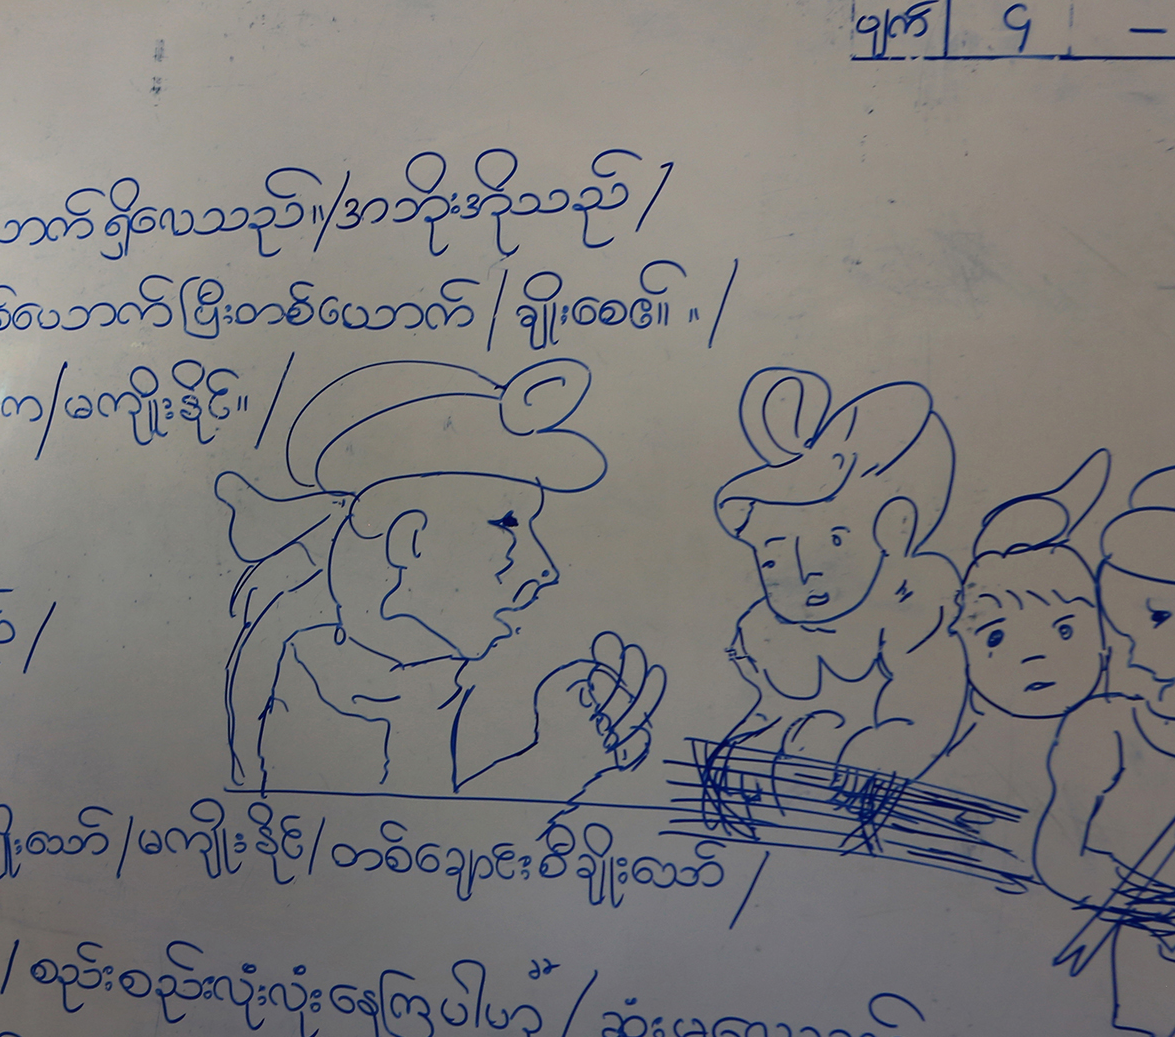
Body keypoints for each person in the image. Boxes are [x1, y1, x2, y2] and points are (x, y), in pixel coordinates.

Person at [217, 357, 661, 799]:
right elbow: (389, 843)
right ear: (409, 540)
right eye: (508, 523)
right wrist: (559, 762)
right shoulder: (311, 680)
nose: (545, 569)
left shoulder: (414, 678)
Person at [709, 368, 965, 782]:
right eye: (772, 559)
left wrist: (869, 766)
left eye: (833, 545)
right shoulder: (764, 631)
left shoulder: (912, 607)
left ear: (892, 530)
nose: (801, 576)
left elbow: (920, 715)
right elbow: (769, 709)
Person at [1033, 467, 1175, 1037]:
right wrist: (1142, 905)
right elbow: (1058, 850)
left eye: (1160, 619)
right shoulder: (1105, 725)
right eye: (1125, 630)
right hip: (1148, 998)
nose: (1139, 653)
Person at [922, 449, 1111, 837]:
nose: (1035, 656)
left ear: (1104, 640)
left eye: (1065, 629)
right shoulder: (967, 762)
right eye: (996, 635)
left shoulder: (1116, 743)